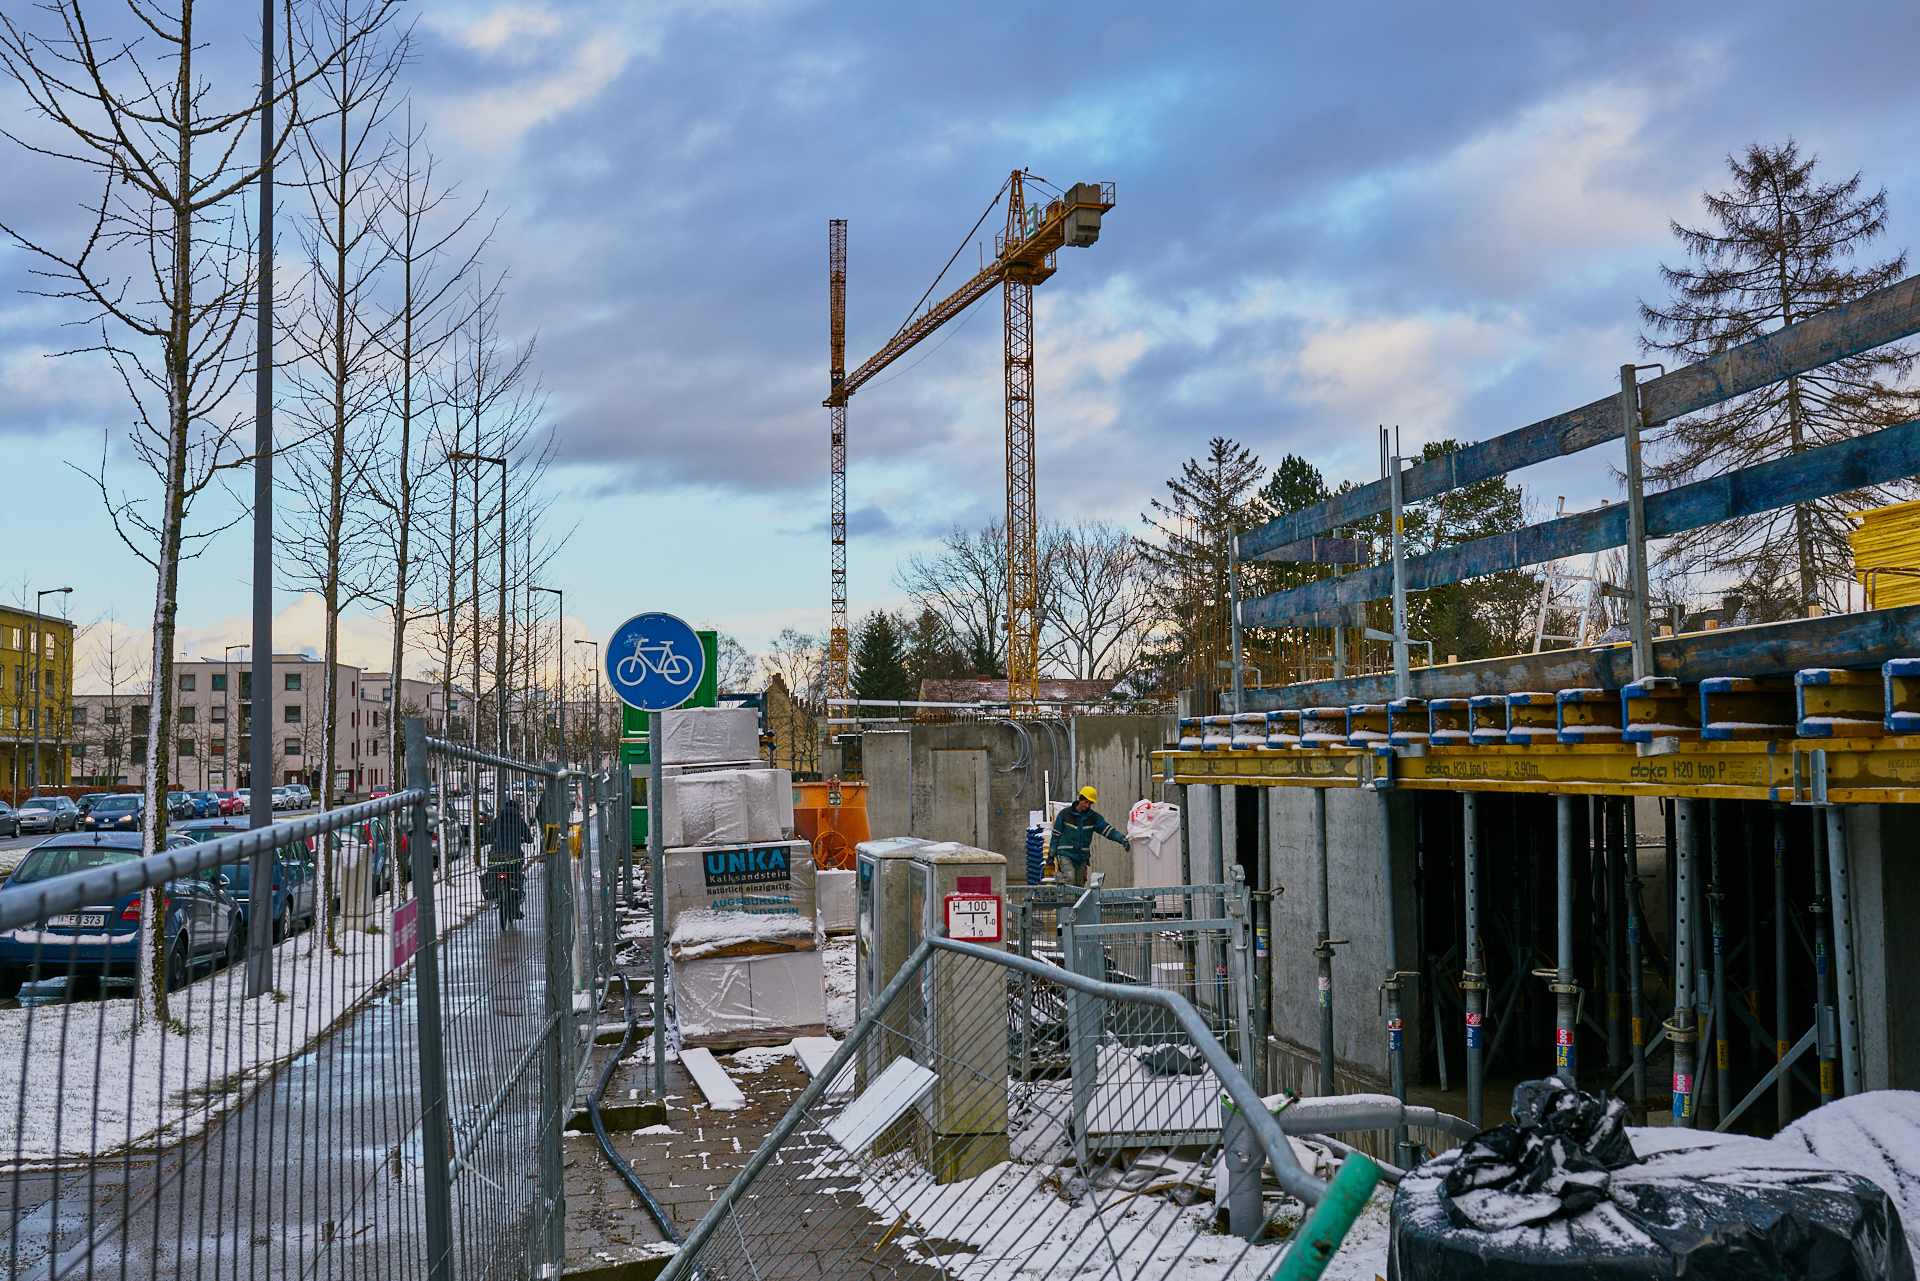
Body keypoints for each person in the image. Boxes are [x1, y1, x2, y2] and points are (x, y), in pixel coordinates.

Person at [1051, 786, 1129, 888]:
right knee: (1069, 878)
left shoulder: (1093, 818)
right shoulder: (1065, 814)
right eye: (1086, 802)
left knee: (1079, 885)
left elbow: (1108, 830)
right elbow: (1056, 834)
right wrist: (1052, 853)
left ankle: (1077, 903)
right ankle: (1068, 903)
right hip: (1065, 854)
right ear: (1080, 799)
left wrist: (1121, 839)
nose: (1088, 805)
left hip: (1081, 856)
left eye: (1090, 803)